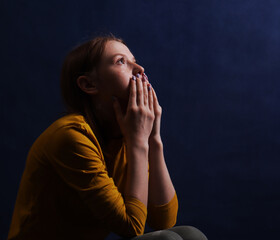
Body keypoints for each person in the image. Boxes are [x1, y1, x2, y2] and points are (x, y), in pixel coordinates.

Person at [7, 34, 207, 240]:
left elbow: (164, 220)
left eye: (135, 62)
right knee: (168, 239)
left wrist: (154, 139)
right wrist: (139, 142)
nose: (140, 70)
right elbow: (132, 227)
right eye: (121, 61)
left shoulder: (126, 136)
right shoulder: (71, 136)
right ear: (88, 85)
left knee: (190, 235)